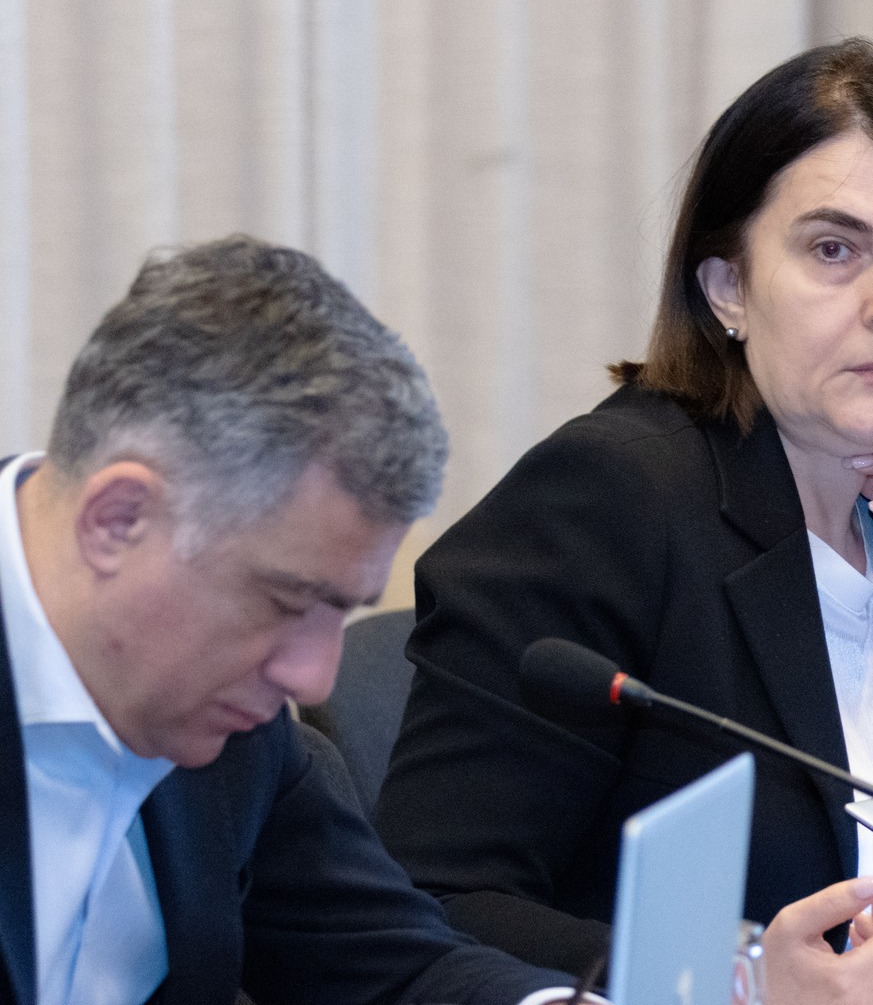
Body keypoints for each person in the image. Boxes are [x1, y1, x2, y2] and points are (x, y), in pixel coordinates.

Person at [376, 40, 873, 985]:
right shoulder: (609, 502)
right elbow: (430, 901)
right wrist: (734, 983)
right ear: (729, 288)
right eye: (834, 249)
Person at [0, 236, 581, 1005]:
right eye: (285, 601)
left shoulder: (237, 729)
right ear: (117, 519)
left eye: (340, 611)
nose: (312, 677)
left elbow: (396, 967)